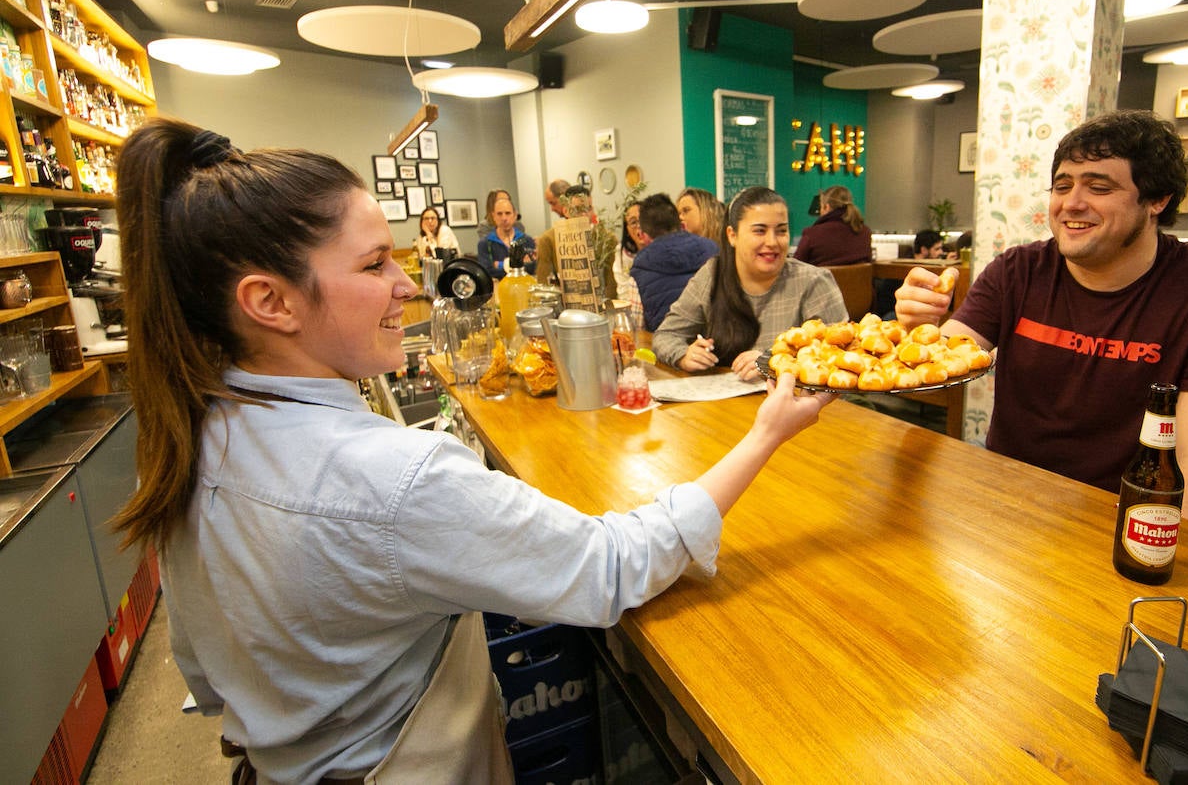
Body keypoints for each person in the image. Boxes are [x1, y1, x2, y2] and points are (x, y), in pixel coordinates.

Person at [110, 118, 832, 784]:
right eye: (372, 267)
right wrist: (766, 433)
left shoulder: (186, 434)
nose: (405, 283)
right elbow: (609, 567)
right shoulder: (395, 480)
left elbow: (207, 676)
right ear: (271, 302)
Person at [895, 109, 1188, 523]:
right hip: (1005, 507)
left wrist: (1138, 556)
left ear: (1158, 199)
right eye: (1062, 186)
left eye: (1099, 187)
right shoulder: (1017, 270)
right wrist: (920, 330)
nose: (1071, 204)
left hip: (1121, 521)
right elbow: (942, 362)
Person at [654, 186, 847, 380]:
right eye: (759, 231)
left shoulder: (813, 282)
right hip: (724, 404)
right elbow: (666, 335)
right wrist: (684, 355)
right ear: (732, 235)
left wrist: (773, 362)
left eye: (781, 231)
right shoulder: (713, 275)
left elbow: (840, 358)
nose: (772, 242)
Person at [631, 192, 718, 332]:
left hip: (668, 348)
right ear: (680, 224)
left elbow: (637, 325)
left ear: (644, 235)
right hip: (715, 345)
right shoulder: (713, 249)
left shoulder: (640, 266)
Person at [793, 185, 873, 266]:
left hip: (823, 279)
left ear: (826, 207)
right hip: (859, 278)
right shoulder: (865, 232)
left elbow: (795, 267)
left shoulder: (812, 234)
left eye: (821, 207)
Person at [477, 193, 537, 279]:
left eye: (508, 213)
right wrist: (519, 264)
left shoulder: (526, 240)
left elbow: (532, 269)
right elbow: (488, 272)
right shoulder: (485, 243)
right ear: (493, 216)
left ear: (515, 215)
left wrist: (501, 264)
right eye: (499, 214)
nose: (504, 218)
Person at [612, 200, 650, 325]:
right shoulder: (622, 255)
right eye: (633, 222)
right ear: (627, 229)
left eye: (643, 219)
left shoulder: (661, 249)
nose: (639, 226)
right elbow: (623, 294)